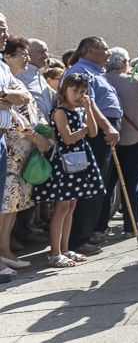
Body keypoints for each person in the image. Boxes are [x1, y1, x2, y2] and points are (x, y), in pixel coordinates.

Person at [33, 73, 106, 268]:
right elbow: (68, 138)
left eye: (82, 91)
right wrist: (82, 130)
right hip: (65, 162)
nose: (78, 95)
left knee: (71, 205)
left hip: (78, 161)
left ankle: (65, 248)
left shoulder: (79, 109)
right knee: (61, 207)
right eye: (74, 91)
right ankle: (55, 252)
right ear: (64, 89)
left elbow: (93, 131)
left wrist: (89, 108)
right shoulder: (60, 111)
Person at [63, 37, 121, 255]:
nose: (108, 54)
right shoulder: (80, 71)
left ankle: (89, 232)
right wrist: (108, 128)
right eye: (105, 50)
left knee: (100, 185)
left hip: (103, 132)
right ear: (91, 51)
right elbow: (89, 104)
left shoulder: (98, 72)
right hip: (93, 134)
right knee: (89, 186)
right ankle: (78, 239)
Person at [0, 36, 52, 274]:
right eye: (23, 55)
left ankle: (6, 249)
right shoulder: (8, 77)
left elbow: (28, 105)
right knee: (6, 204)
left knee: (16, 203)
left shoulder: (16, 79)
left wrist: (43, 133)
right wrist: (34, 136)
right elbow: (12, 113)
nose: (27, 59)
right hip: (13, 147)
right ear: (8, 57)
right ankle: (4, 250)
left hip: (25, 151)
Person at [104, 47, 138, 235]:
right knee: (132, 183)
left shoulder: (102, 80)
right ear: (125, 63)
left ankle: (100, 227)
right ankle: (132, 225)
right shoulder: (134, 81)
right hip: (134, 139)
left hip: (109, 140)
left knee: (108, 185)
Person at [17, 39, 53, 122]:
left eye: (46, 51)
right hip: (29, 129)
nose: (46, 56)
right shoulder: (19, 74)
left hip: (46, 129)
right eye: (41, 52)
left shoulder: (39, 75)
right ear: (27, 53)